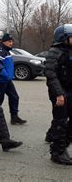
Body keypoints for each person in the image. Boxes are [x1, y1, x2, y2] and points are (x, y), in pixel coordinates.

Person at [44, 24, 72, 165]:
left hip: (69, 90)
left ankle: (62, 146)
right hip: (58, 92)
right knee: (61, 121)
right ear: (64, 38)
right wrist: (59, 94)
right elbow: (50, 73)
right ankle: (57, 153)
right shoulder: (55, 52)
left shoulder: (69, 51)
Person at [0, 33, 26, 125]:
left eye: (12, 41)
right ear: (4, 42)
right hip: (1, 80)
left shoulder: (7, 51)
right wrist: (5, 75)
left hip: (7, 79)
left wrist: (8, 76)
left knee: (14, 97)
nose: (11, 43)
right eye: (9, 41)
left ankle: (14, 117)